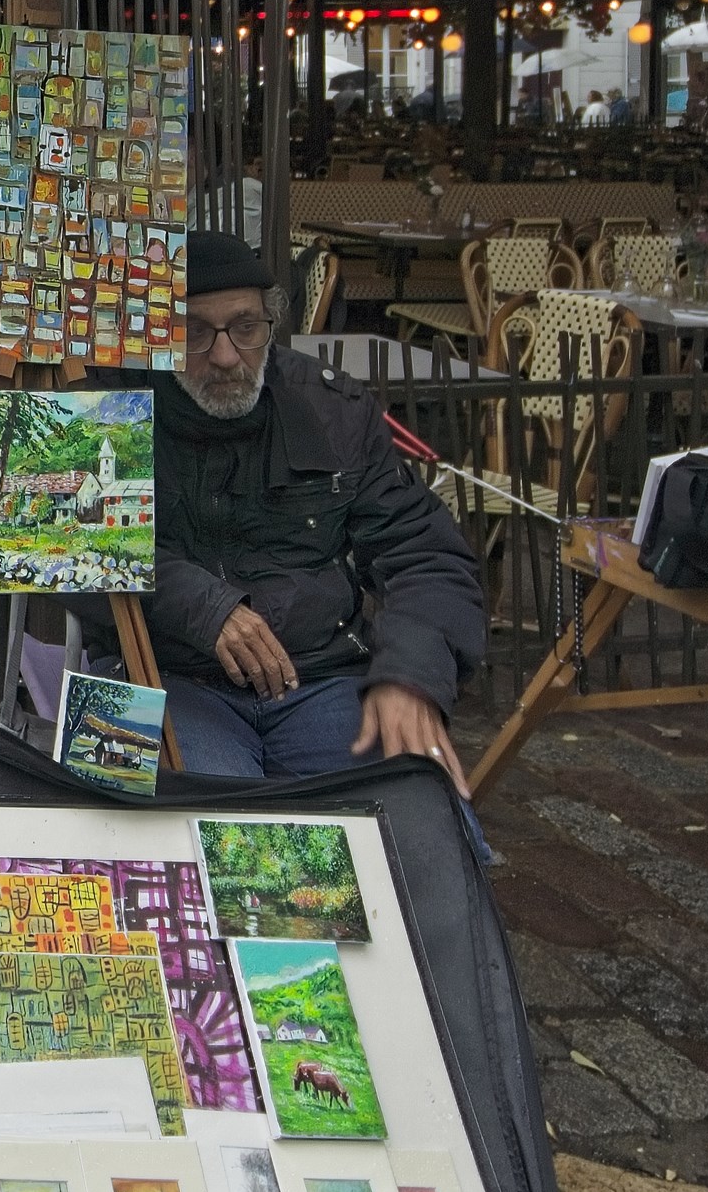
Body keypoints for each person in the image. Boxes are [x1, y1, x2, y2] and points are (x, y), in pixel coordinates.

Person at [145, 228, 486, 790]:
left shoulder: (333, 409)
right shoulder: (117, 409)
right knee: (199, 831)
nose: (226, 356)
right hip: (167, 676)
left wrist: (409, 675)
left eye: (245, 328)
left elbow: (424, 553)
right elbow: (70, 549)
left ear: (271, 324)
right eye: (195, 333)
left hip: (321, 678)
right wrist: (203, 606)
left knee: (411, 818)